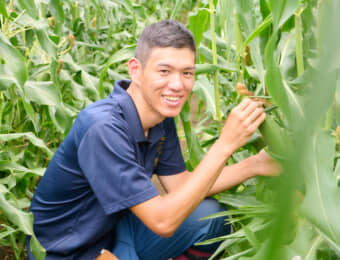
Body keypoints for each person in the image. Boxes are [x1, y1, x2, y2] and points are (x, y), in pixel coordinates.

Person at [27, 20, 280, 260]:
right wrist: (225, 144)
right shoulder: (102, 128)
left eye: (187, 73)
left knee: (211, 218)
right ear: (136, 70)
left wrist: (254, 165)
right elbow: (163, 221)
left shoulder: (160, 117)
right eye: (164, 71)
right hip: (66, 248)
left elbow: (182, 187)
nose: (177, 85)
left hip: (113, 229)